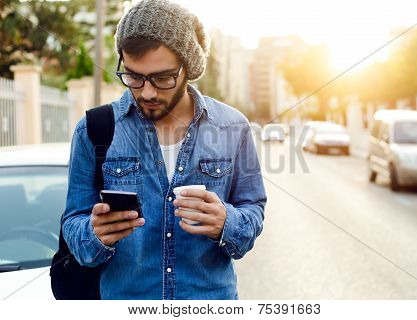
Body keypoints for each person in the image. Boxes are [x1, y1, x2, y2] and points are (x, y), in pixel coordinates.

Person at [62, 0, 267, 299]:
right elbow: (73, 224)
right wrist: (94, 235)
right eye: (133, 76)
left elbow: (253, 211)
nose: (147, 92)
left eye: (162, 78)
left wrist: (227, 223)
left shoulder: (233, 127)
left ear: (189, 68)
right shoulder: (92, 130)